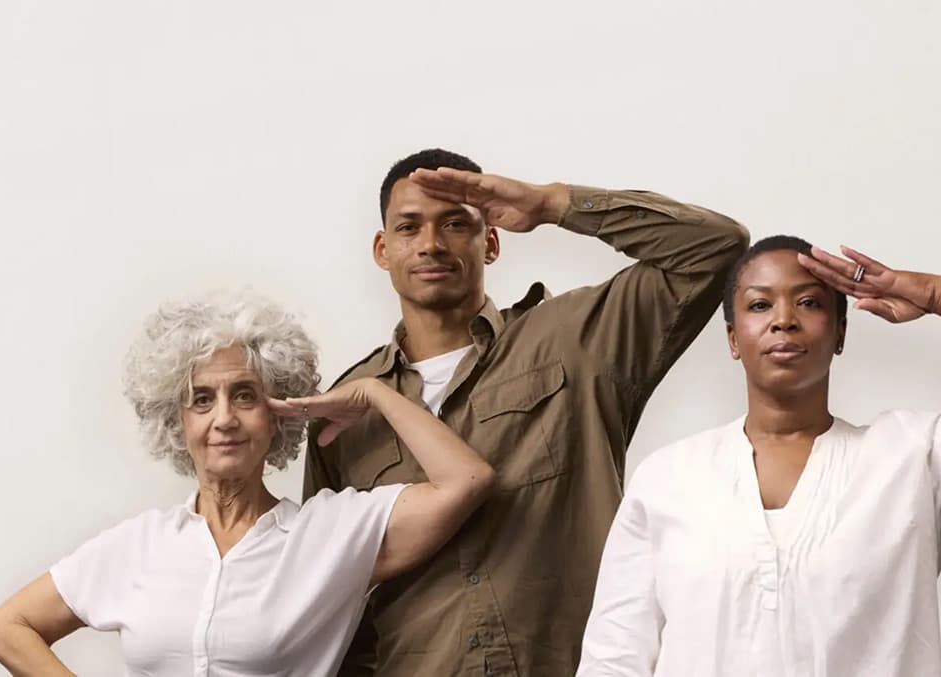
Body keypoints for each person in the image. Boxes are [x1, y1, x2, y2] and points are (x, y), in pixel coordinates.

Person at [303, 149, 749, 675]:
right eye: (409, 227)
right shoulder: (348, 407)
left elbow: (717, 248)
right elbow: (329, 592)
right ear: (383, 249)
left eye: (454, 224)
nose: (431, 244)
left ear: (490, 241)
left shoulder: (576, 340)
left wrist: (552, 203)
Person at [576, 236, 941, 676]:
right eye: (759, 305)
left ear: (841, 333)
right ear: (733, 340)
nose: (783, 321)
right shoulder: (668, 479)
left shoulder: (911, 458)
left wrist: (940, 295)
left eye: (809, 303)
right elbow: (613, 658)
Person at [0, 291, 496, 675]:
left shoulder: (332, 533)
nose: (223, 419)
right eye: (201, 400)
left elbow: (466, 480)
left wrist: (373, 395)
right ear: (177, 422)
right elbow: (7, 628)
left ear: (277, 416)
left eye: (245, 396)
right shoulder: (139, 544)